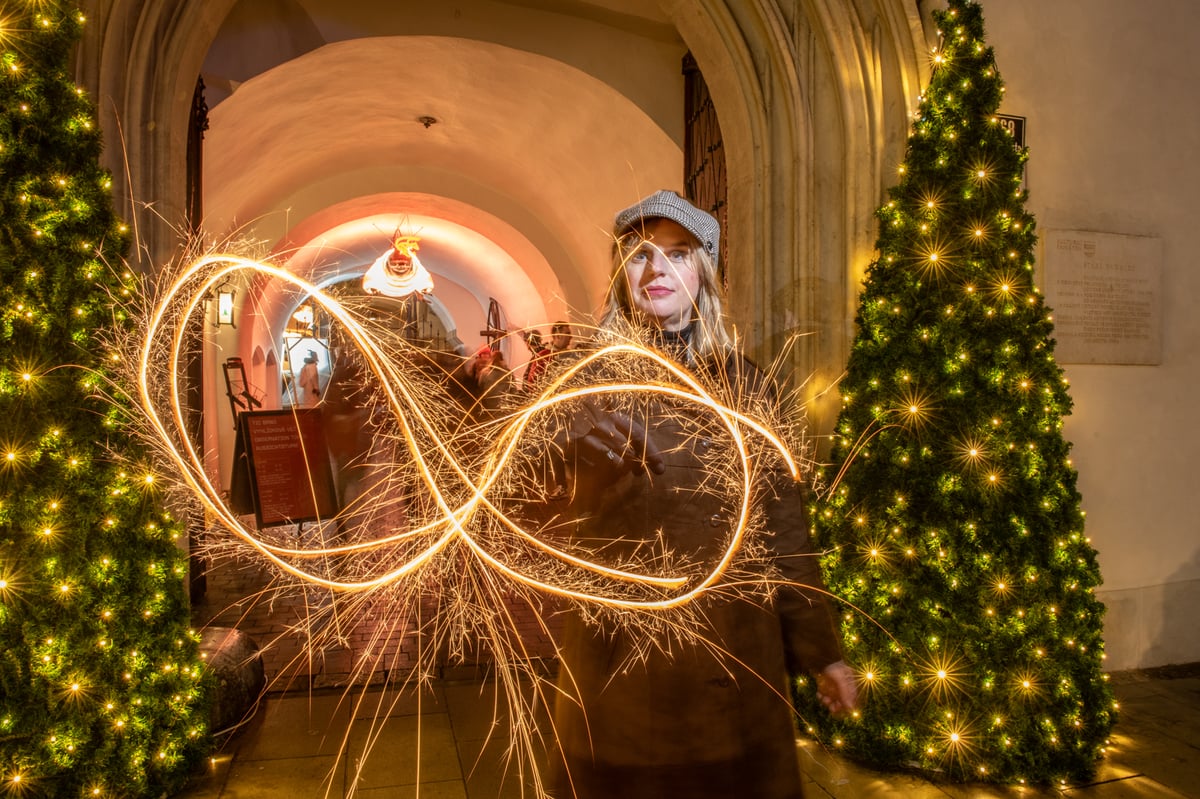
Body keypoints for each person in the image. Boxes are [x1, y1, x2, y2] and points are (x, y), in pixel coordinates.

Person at [545, 190, 857, 798]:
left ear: (703, 276)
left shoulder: (747, 385)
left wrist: (822, 651)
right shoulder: (582, 380)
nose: (656, 268)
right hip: (619, 664)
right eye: (638, 255)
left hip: (730, 659)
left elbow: (783, 529)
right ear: (621, 276)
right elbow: (521, 509)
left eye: (678, 254)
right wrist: (571, 458)